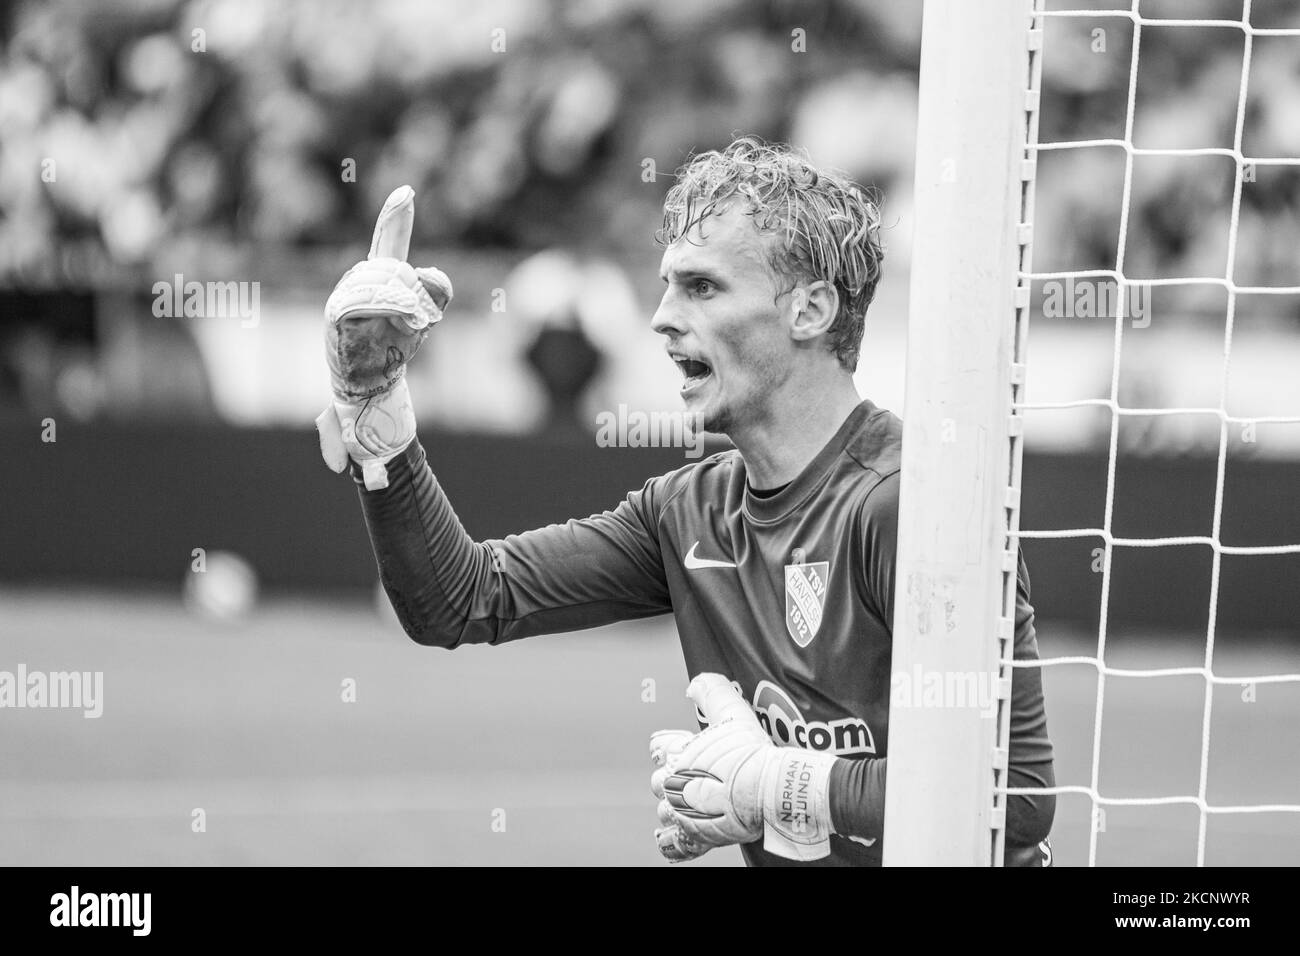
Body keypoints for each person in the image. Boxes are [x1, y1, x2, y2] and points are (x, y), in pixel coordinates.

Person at [315, 136, 1055, 866]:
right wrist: (381, 425)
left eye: (701, 287)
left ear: (810, 310)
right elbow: (459, 599)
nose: (662, 317)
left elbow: (1009, 799)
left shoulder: (912, 507)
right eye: (668, 285)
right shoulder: (685, 511)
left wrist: (775, 786)